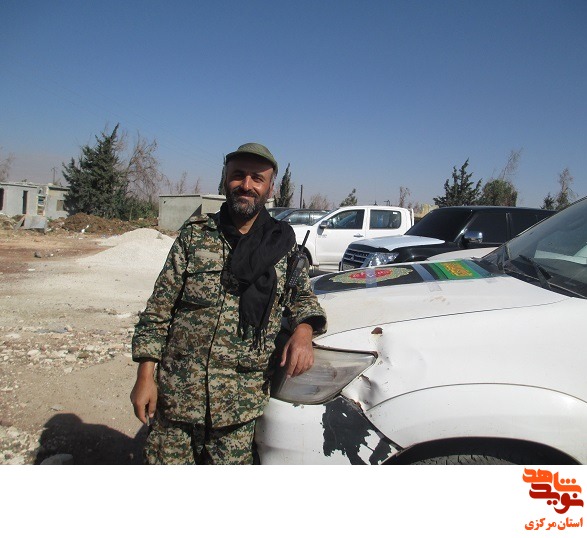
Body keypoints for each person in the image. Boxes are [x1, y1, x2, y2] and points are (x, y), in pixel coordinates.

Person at [130, 142, 327, 464]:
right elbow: (159, 309)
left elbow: (302, 297)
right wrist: (144, 377)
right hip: (178, 395)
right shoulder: (195, 237)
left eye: (257, 178)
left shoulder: (283, 245)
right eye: (238, 175)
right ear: (225, 179)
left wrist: (304, 332)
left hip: (238, 405)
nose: (246, 185)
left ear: (270, 188)